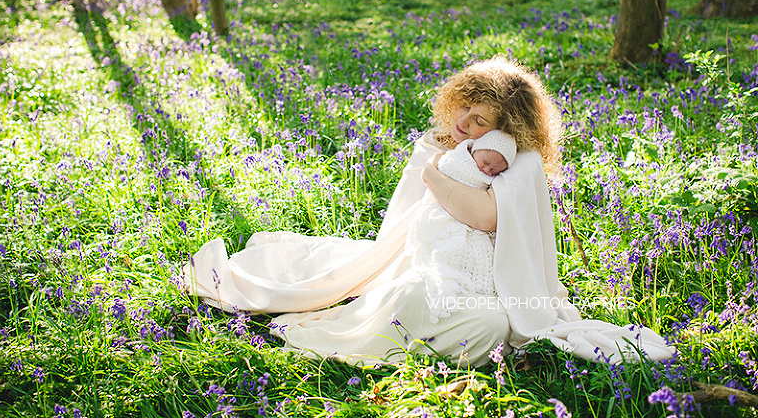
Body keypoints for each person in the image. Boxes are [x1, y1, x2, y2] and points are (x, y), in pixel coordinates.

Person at [183, 56, 675, 366]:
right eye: (462, 108)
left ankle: (405, 341)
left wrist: (435, 176)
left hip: (495, 288)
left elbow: (485, 218)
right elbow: (402, 228)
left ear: (507, 129)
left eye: (479, 119)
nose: (462, 123)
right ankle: (361, 331)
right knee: (415, 290)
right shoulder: (438, 144)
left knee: (494, 328)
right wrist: (435, 169)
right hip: (427, 268)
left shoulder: (519, 164)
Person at [408, 129, 517, 324]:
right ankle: (447, 279)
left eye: (494, 171)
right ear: (476, 149)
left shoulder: (494, 178)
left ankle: (468, 284)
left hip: (471, 219)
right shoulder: (457, 159)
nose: (486, 171)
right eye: (485, 163)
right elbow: (446, 168)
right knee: (446, 247)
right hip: (444, 213)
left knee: (479, 254)